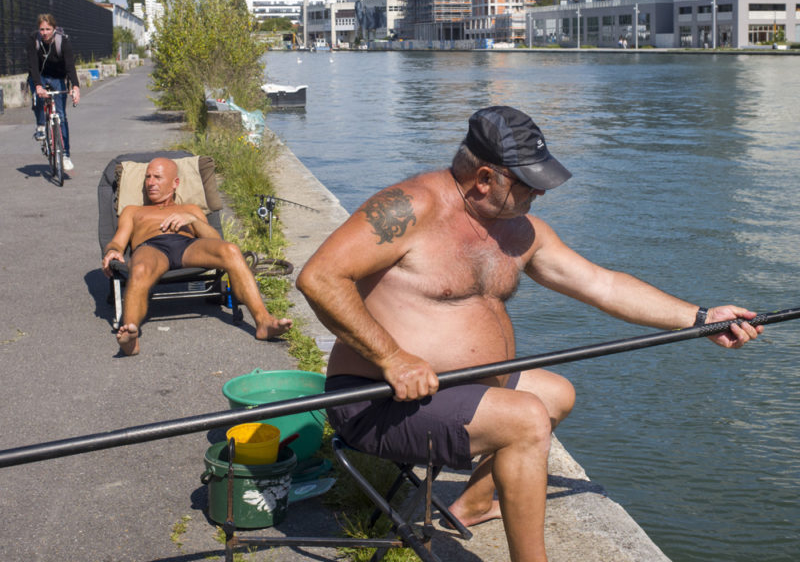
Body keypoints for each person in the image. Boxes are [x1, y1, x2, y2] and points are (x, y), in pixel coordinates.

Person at [296, 105, 763, 562]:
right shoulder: (409, 208)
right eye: (529, 184)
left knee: (556, 394)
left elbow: (602, 284)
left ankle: (475, 502)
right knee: (525, 419)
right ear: (484, 178)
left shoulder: (519, 231)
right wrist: (391, 357)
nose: (539, 195)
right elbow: (319, 277)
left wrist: (701, 318)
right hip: (375, 398)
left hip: (451, 389)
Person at [101, 157, 292, 356]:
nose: (150, 182)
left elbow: (215, 240)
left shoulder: (190, 209)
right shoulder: (133, 211)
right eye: (148, 177)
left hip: (187, 246)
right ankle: (131, 335)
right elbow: (118, 241)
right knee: (139, 268)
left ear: (175, 183)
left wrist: (192, 220)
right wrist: (112, 250)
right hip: (152, 248)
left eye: (157, 177)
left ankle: (264, 322)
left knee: (231, 251)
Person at [26, 13, 81, 171]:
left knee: (62, 117)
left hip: (57, 77)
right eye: (41, 29)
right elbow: (32, 66)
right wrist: (37, 86)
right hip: (39, 76)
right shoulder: (33, 41)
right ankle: (41, 125)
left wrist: (75, 87)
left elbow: (70, 66)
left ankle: (65, 155)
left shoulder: (63, 42)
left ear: (54, 29)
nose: (44, 32)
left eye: (48, 29)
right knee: (38, 97)